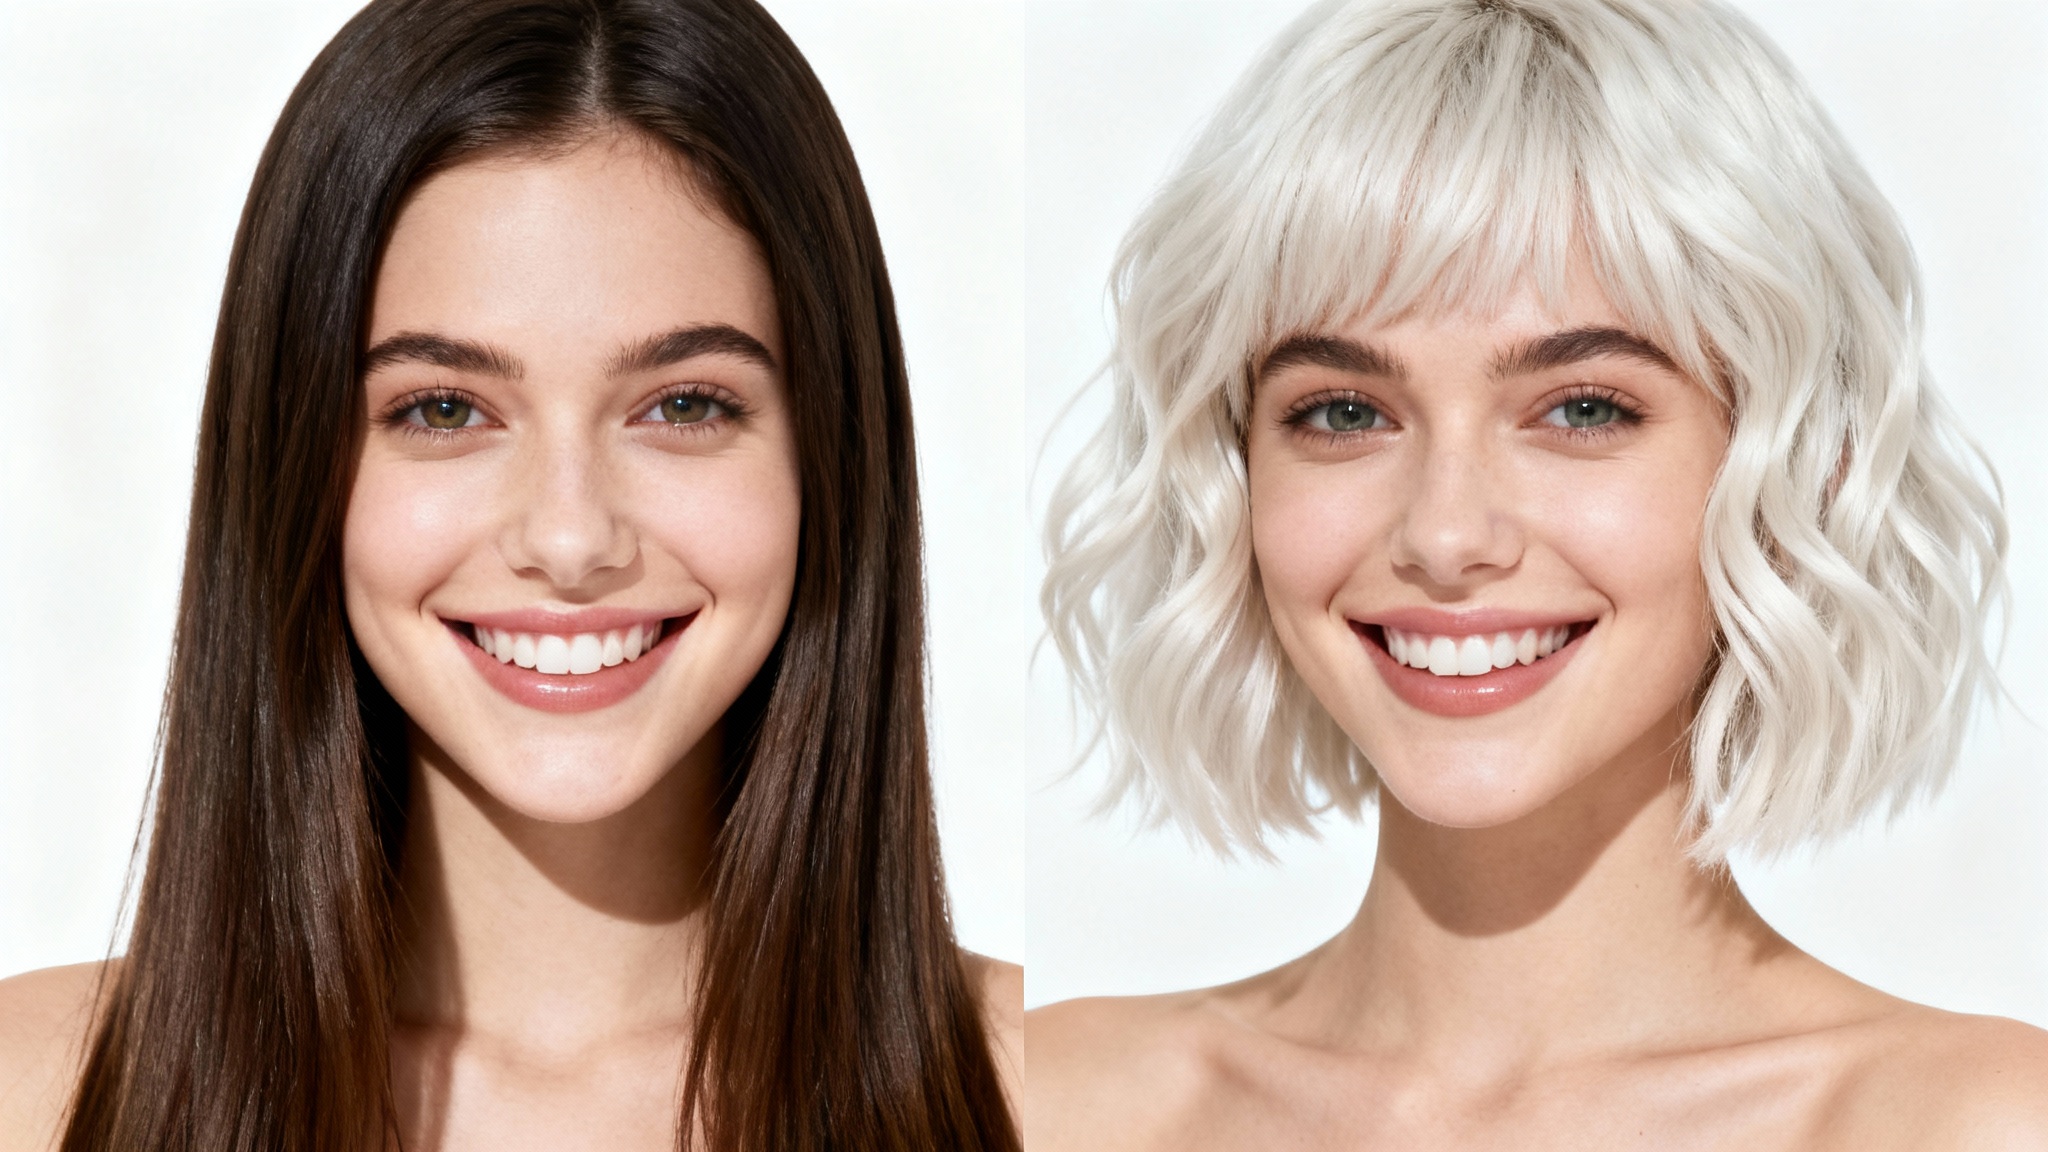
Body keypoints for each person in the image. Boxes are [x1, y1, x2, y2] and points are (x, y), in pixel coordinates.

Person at [0, 0, 1020, 1148]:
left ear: (827, 457)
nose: (572, 538)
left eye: (683, 405)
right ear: (296, 466)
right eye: (443, 409)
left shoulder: (1044, 1093)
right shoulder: (23, 1095)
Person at [1029, 0, 2048, 1146]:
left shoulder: (1987, 1123)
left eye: (1581, 407)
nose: (1445, 532)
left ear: (1796, 468)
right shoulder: (1048, 1100)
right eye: (1344, 410)